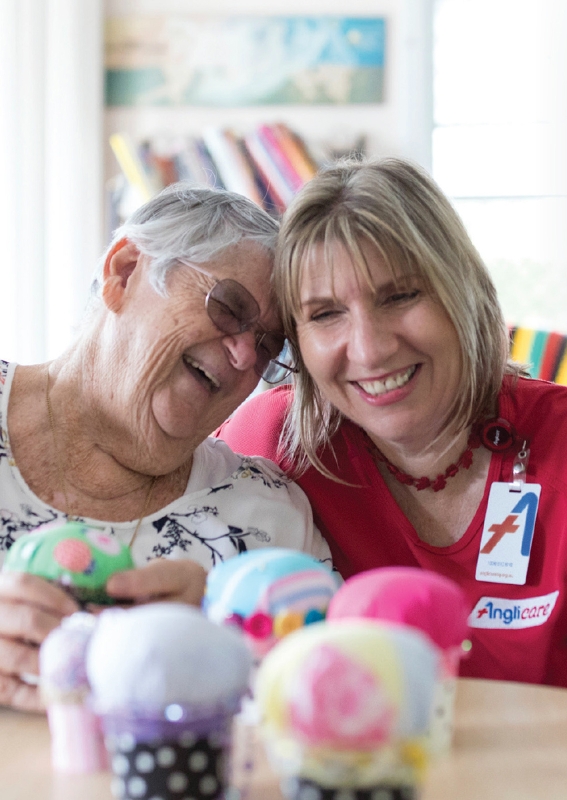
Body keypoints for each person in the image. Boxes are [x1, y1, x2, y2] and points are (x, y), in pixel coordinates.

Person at [217, 158, 567, 688]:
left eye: (400, 296)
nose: (370, 348)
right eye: (325, 313)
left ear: (463, 290)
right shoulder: (269, 447)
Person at [0, 183, 330, 710]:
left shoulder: (268, 519)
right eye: (229, 306)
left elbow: (332, 698)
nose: (246, 356)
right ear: (124, 270)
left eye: (270, 345)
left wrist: (227, 639)